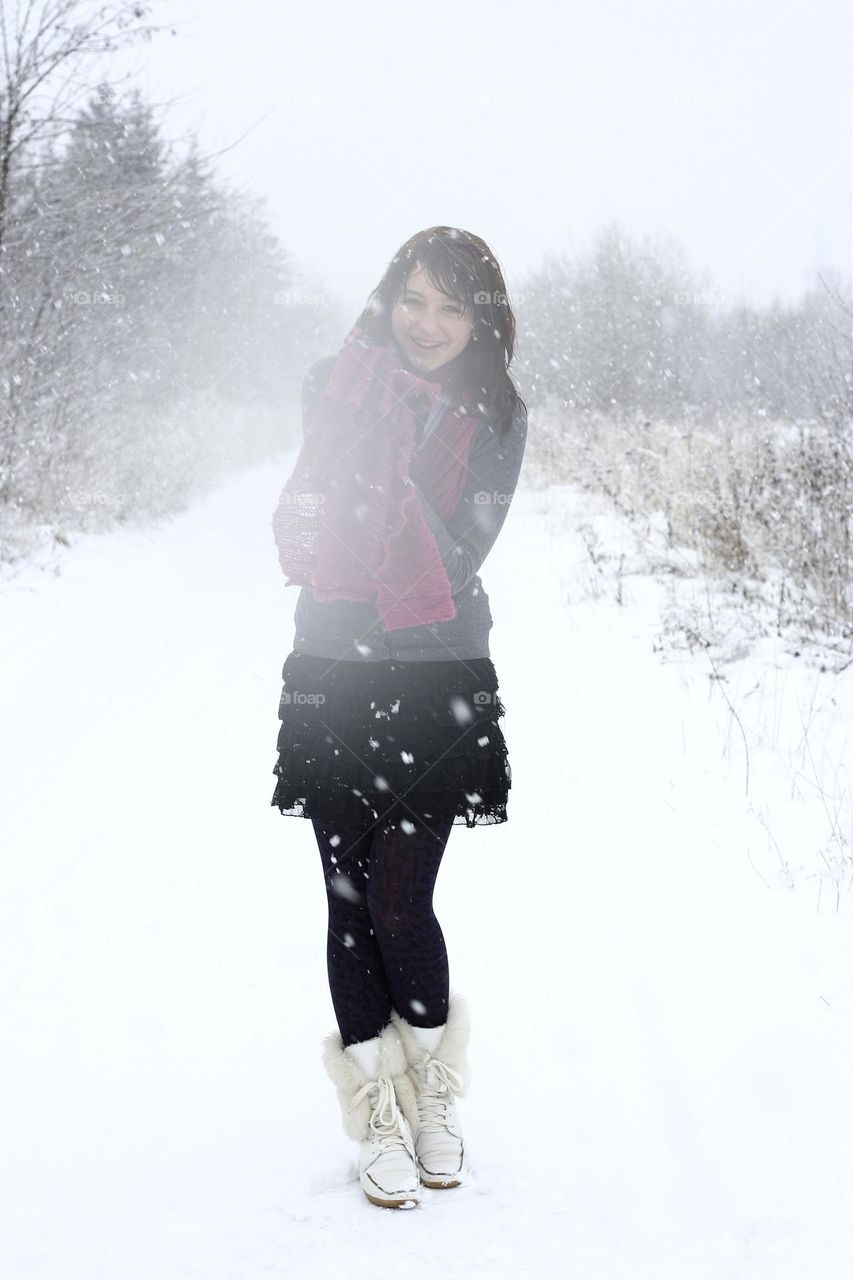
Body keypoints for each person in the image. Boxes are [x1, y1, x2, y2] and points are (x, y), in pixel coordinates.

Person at [270, 226, 528, 1209]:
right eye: (413, 299)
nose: (427, 323)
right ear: (389, 298)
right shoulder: (331, 383)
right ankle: (377, 1109)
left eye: (451, 307)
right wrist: (357, 455)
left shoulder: (495, 412)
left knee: (398, 898)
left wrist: (378, 475)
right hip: (333, 661)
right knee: (346, 899)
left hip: (436, 667)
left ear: (479, 321)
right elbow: (308, 524)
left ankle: (434, 1097)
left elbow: (461, 553)